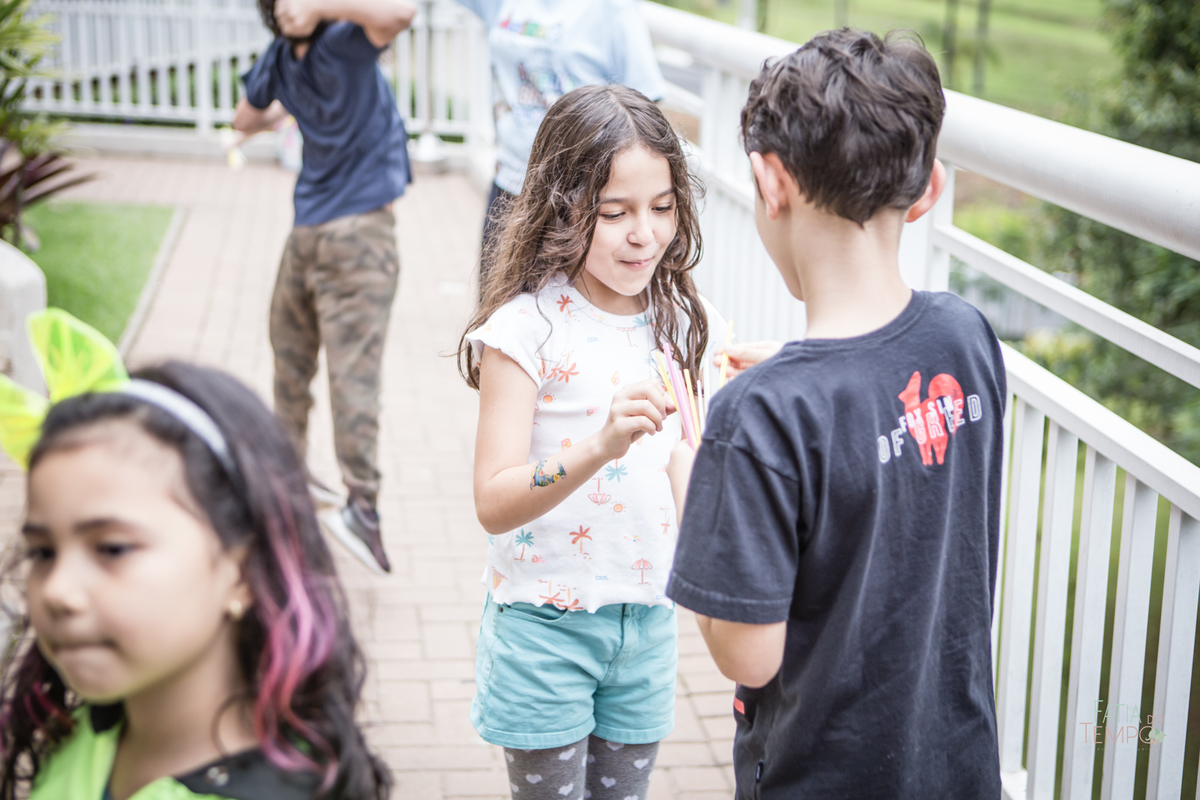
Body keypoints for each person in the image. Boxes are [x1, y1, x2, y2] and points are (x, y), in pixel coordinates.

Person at [665, 29, 1006, 799]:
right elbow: (880, 390)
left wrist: (691, 482)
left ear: (770, 180)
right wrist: (800, 371)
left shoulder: (757, 416)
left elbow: (748, 658)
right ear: (928, 190)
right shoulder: (967, 336)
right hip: (956, 765)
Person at [456, 84, 725, 800]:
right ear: (565, 206)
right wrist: (600, 444)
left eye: (662, 207)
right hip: (544, 629)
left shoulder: (678, 320)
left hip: (645, 625)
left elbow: (684, 461)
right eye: (616, 213)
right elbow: (493, 500)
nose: (644, 233)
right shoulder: (524, 331)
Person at [0, 311, 389, 800]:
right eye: (42, 552)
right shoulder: (76, 735)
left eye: (112, 548)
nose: (57, 590)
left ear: (241, 572)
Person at [232, 0, 417, 575]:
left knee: (291, 369)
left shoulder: (277, 61)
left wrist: (288, 111)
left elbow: (243, 119)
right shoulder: (345, 42)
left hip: (306, 233)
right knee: (352, 376)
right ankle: (361, 505)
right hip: (359, 237)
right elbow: (403, 10)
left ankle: (283, 493)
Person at [450, 0, 667, 289]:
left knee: (575, 321)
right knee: (497, 314)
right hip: (511, 187)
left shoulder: (614, 8)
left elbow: (644, 107)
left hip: (578, 203)